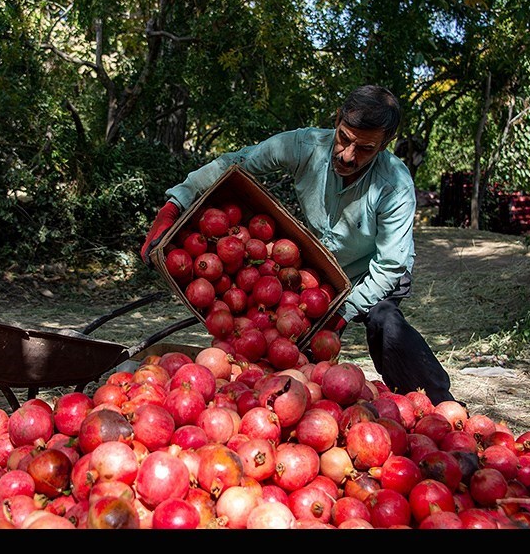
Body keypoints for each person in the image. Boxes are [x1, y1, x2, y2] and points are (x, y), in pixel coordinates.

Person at [141, 84, 456, 405]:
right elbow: (236, 163)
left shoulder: (395, 184)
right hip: (321, 274)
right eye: (344, 138)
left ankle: (436, 404)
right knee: (294, 357)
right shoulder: (306, 146)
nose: (348, 155)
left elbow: (390, 265)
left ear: (385, 144)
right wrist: (175, 203)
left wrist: (341, 314)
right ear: (337, 120)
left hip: (374, 273)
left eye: (364, 148)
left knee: (385, 322)